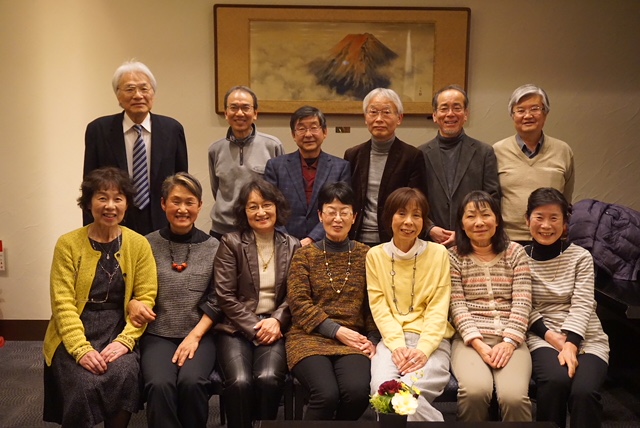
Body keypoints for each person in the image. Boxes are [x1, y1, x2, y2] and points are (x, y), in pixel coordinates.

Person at [43, 167, 157, 427]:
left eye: (118, 198)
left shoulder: (139, 244)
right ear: (89, 202)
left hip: (118, 326)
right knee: (83, 382)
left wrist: (126, 341)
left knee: (125, 372)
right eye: (102, 197)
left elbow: (146, 297)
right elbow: (62, 304)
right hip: (74, 328)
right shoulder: (68, 244)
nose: (110, 206)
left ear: (127, 204)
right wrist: (81, 349)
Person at [127, 173, 221, 428]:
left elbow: (218, 299)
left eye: (189, 202)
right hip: (157, 333)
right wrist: (132, 303)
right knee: (159, 384)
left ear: (199, 206)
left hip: (200, 334)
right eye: (175, 201)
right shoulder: (146, 244)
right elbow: (130, 289)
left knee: (192, 382)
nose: (182, 209)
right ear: (163, 203)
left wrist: (195, 336)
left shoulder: (214, 247)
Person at [213, 179, 300, 428]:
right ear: (244, 212)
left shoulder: (292, 245)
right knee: (240, 381)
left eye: (266, 205)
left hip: (275, 326)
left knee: (268, 378)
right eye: (253, 207)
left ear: (277, 207)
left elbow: (295, 294)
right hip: (235, 328)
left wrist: (276, 320)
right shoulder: (231, 242)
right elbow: (225, 295)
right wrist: (256, 326)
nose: (261, 212)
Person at [286, 182, 377, 420]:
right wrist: (337, 331)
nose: (337, 218)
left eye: (344, 212)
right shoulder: (304, 255)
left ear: (354, 217)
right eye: (331, 211)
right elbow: (299, 304)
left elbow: (373, 304)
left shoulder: (367, 255)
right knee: (325, 395)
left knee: (357, 393)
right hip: (308, 337)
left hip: (353, 340)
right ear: (320, 215)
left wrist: (373, 340)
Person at [524, 188, 609, 428]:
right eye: (539, 217)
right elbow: (522, 305)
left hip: (587, 336)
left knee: (584, 392)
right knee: (554, 381)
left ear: (564, 224)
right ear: (527, 219)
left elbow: (583, 303)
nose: (546, 225)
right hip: (541, 335)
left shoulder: (580, 257)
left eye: (554, 218)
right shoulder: (518, 257)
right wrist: (552, 337)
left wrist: (571, 343)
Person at [366, 187, 453, 421]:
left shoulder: (438, 253)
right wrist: (397, 346)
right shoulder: (375, 255)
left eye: (416, 215)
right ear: (389, 217)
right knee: (382, 393)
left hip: (432, 342)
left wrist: (423, 350)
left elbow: (438, 308)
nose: (408, 222)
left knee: (401, 394)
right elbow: (379, 307)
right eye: (401, 213)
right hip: (391, 342)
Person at [448, 190, 532, 422]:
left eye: (486, 214)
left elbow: (523, 301)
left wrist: (509, 342)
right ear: (461, 224)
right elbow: (457, 306)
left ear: (497, 220)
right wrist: (478, 343)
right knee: (475, 392)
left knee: (514, 398)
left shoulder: (515, 252)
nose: (479, 222)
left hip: (512, 338)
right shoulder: (453, 257)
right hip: (469, 340)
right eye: (471, 216)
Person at [83, 60, 188, 236]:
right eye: (130, 89)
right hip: (113, 220)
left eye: (144, 88)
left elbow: (182, 182)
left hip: (161, 221)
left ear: (153, 93)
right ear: (118, 95)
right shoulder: (99, 130)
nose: (138, 95)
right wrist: (90, 231)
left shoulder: (172, 129)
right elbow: (89, 186)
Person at [344, 88, 428, 247]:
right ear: (365, 117)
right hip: (356, 238)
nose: (379, 119)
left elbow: (418, 203)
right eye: (373, 112)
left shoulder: (412, 156)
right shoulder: (352, 155)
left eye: (386, 112)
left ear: (399, 118)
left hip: (396, 239)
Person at [419, 85, 500, 247]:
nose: (450, 114)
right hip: (431, 243)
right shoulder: (420, 154)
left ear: (466, 114)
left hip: (473, 242)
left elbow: (493, 199)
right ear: (434, 115)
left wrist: (464, 231)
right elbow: (415, 200)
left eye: (457, 108)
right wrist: (430, 228)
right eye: (444, 108)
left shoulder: (484, 152)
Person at [493, 84, 574, 243]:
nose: (528, 115)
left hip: (550, 239)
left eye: (535, 109)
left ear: (545, 113)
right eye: (520, 110)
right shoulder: (497, 151)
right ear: (512, 115)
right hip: (507, 241)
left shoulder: (563, 150)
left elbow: (566, 198)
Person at [264, 106, 351, 246]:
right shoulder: (275, 166)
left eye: (314, 127)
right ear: (293, 135)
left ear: (325, 132)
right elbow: (269, 207)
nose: (308, 134)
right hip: (282, 244)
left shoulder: (341, 167)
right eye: (301, 129)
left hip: (326, 244)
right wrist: (288, 242)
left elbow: (340, 209)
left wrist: (312, 239)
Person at [208, 86, 284, 240]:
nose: (239, 113)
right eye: (233, 107)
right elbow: (216, 188)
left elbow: (280, 190)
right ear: (226, 113)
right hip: (222, 230)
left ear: (255, 113)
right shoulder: (215, 149)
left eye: (245, 108)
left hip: (260, 228)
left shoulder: (272, 146)